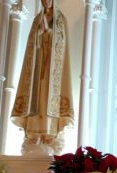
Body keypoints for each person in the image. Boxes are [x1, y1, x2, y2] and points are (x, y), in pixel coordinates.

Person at [11, 0, 74, 155]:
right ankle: (34, 135)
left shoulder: (60, 20)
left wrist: (49, 33)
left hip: (53, 70)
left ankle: (49, 134)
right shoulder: (37, 19)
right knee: (37, 98)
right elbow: (32, 43)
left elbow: (61, 42)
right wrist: (39, 33)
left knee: (48, 97)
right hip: (37, 66)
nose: (46, 2)